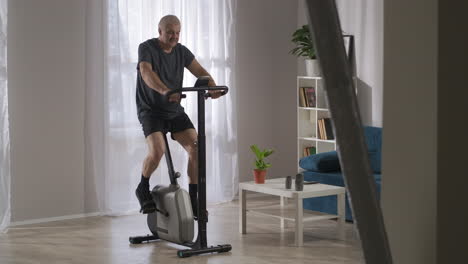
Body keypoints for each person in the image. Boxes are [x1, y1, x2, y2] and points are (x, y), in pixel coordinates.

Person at [135, 15, 223, 215]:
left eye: (177, 32)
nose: (174, 36)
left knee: (197, 148)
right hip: (151, 110)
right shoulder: (147, 48)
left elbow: (199, 70)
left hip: (174, 111)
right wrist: (165, 90)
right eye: (169, 32)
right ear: (160, 32)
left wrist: (213, 86)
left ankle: (193, 199)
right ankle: (142, 187)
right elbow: (146, 72)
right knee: (157, 152)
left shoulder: (181, 51)